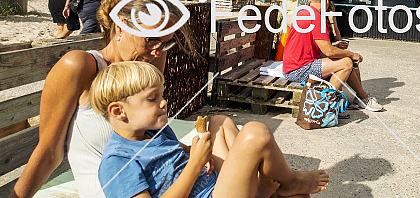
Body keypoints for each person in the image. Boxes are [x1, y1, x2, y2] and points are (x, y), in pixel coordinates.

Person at [9, 0, 193, 198]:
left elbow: (154, 140)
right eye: (151, 39)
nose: (157, 51)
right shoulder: (81, 67)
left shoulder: (148, 64)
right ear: (120, 26)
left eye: (165, 42)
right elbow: (49, 153)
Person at [91, 61, 329, 198]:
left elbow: (174, 154)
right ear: (118, 111)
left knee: (219, 123)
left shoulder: (153, 131)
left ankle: (259, 186)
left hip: (214, 185)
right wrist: (194, 165)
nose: (164, 102)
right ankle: (290, 182)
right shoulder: (117, 163)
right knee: (255, 134)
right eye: (152, 99)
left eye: (162, 95)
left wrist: (193, 151)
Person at [282, 0, 383, 112]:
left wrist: (338, 49)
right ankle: (326, 105)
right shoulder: (317, 18)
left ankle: (360, 97)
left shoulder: (302, 13)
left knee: (345, 59)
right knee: (346, 62)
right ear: (327, 1)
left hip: (292, 66)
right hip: (299, 69)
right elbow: (329, 51)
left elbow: (317, 47)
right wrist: (351, 54)